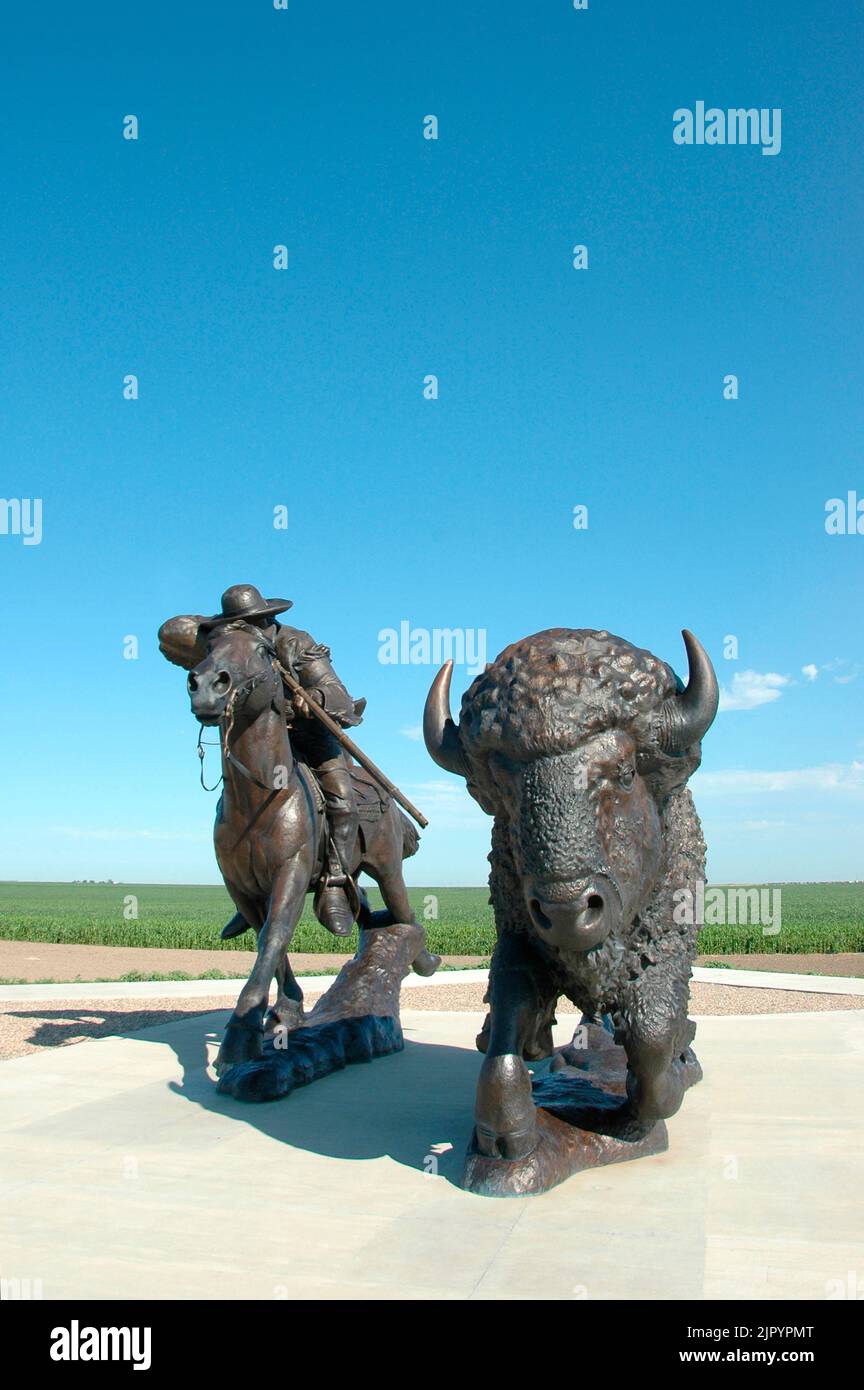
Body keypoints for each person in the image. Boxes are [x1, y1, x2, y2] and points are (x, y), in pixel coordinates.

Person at [159, 584, 362, 937]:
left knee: (342, 797)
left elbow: (339, 696)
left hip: (308, 734)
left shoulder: (296, 642)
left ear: (266, 617)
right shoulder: (225, 645)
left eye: (248, 620)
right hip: (259, 744)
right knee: (235, 804)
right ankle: (250, 897)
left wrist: (310, 697)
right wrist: (211, 629)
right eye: (233, 621)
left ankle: (334, 883)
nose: (242, 626)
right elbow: (170, 632)